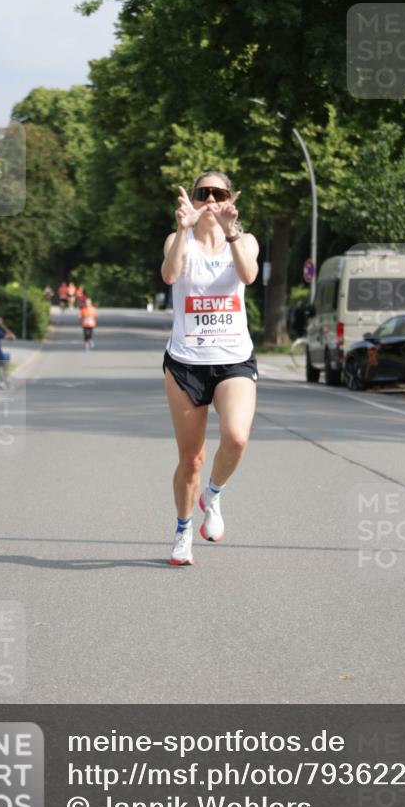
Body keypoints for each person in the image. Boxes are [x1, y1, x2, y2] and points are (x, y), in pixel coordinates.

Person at [161, 172, 259, 566]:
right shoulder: (177, 240)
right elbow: (170, 274)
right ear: (195, 200)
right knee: (191, 460)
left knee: (236, 438)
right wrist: (183, 231)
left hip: (233, 357)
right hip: (186, 363)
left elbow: (249, 275)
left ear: (230, 198)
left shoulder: (245, 240)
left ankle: (213, 494)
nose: (212, 201)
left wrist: (231, 231)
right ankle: (183, 531)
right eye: (204, 194)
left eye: (219, 193)